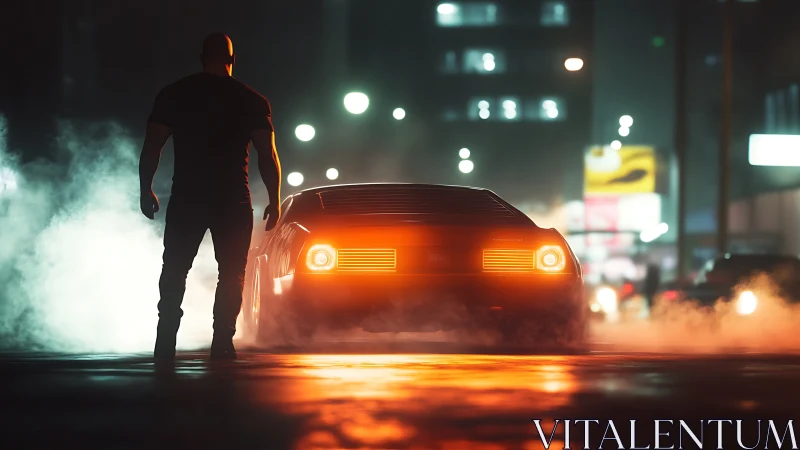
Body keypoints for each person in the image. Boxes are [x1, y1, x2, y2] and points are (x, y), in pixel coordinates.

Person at [139, 33, 282, 360]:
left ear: (201, 57)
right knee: (232, 271)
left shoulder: (174, 94)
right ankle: (222, 342)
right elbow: (267, 155)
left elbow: (152, 146)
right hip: (232, 197)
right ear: (233, 59)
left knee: (175, 267)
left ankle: (165, 340)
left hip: (188, 194)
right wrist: (275, 199)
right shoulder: (252, 100)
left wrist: (145, 187)